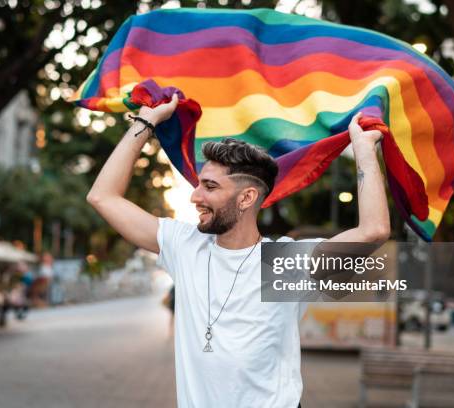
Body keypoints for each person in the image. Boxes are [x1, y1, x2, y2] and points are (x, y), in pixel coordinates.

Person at [86, 94, 390, 408]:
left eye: (210, 187)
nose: (195, 196)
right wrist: (146, 121)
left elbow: (373, 231)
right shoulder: (183, 245)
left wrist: (365, 151)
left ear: (246, 199)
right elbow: (103, 197)